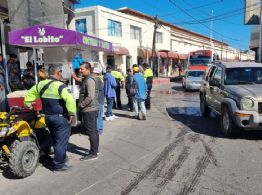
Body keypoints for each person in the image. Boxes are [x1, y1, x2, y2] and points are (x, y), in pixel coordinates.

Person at [24, 64, 76, 172]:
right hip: (60, 118)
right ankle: (59, 165)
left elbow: (29, 96)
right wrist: (71, 114)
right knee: (61, 140)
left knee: (55, 139)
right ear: (58, 73)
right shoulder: (60, 86)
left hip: (47, 118)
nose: (61, 74)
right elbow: (70, 100)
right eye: (61, 72)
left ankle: (61, 158)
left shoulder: (40, 84)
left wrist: (28, 104)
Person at [78, 62, 99, 161]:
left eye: (82, 69)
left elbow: (90, 96)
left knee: (91, 131)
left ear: (88, 69)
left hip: (89, 109)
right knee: (93, 130)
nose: (80, 70)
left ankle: (93, 153)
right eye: (80, 69)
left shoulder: (90, 80)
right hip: (91, 108)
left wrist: (81, 105)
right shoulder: (88, 78)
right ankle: (94, 150)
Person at [92, 67, 104, 134]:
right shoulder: (99, 79)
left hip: (98, 100)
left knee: (96, 116)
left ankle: (97, 130)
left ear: (94, 73)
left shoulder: (96, 80)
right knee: (99, 115)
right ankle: (100, 129)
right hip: (101, 100)